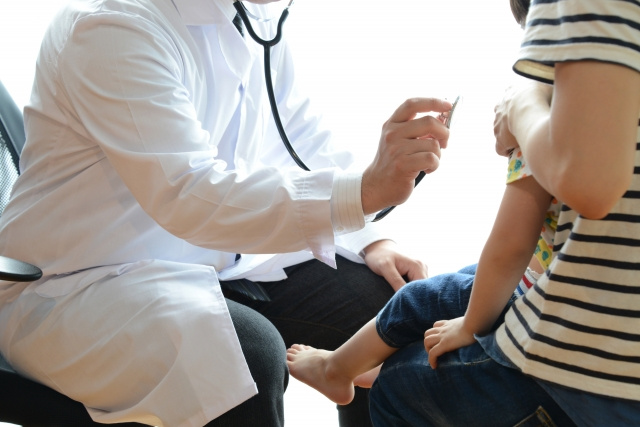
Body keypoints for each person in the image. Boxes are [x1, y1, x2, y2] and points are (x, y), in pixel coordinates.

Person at [0, 0, 455, 426]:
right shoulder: (113, 27)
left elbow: (295, 141)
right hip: (80, 285)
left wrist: (370, 239)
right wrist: (364, 192)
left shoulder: (251, 17)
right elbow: (189, 195)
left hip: (210, 258)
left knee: (389, 313)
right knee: (245, 357)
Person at [367, 0, 640, 425]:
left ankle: (341, 368)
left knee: (397, 381)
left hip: (595, 374)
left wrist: (521, 106)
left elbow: (511, 246)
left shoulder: (550, 109)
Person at [286, 108, 561, 405]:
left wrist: (470, 325)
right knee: (467, 276)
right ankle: (373, 358)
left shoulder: (539, 148)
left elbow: (510, 250)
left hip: (539, 300)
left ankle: (335, 370)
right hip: (546, 280)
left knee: (418, 298)